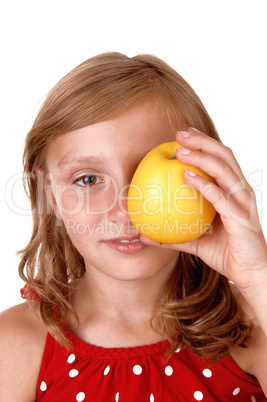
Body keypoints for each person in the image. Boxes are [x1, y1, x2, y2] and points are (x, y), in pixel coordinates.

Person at [0, 52, 266, 401]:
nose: (125, 210)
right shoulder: (16, 344)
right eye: (89, 179)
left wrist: (258, 276)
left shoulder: (253, 328)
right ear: (48, 193)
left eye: (148, 176)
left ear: (209, 175)